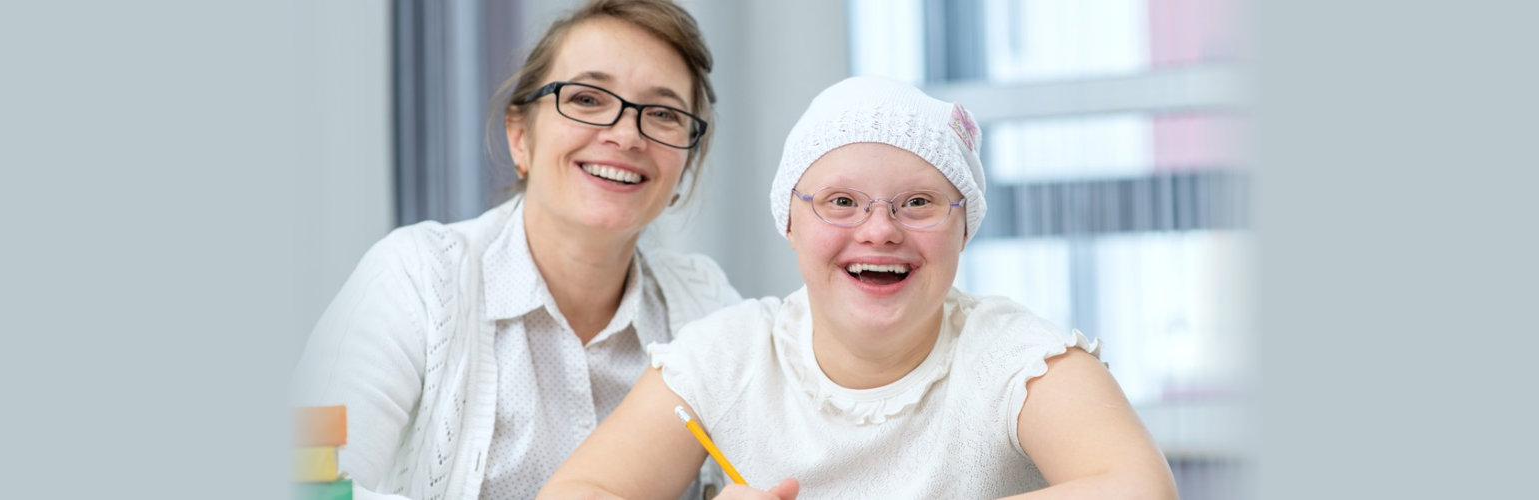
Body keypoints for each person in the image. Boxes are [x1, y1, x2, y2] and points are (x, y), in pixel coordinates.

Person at [537, 76, 1179, 500]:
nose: (879, 230)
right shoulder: (730, 355)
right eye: (841, 201)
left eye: (919, 203)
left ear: (965, 231)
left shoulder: (1013, 356)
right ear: (789, 223)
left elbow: (1141, 487)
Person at [290, 1, 741, 499]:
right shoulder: (416, 276)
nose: (626, 135)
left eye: (662, 114)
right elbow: (306, 485)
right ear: (520, 136)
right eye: (588, 99)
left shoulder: (708, 308)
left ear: (685, 167)